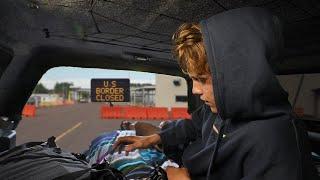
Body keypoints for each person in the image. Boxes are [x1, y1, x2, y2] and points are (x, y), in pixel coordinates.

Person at [113, 7, 318, 180]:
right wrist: (153, 138)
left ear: (239, 76)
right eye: (193, 80)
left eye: (202, 79)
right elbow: (193, 124)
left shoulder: (276, 140)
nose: (195, 90)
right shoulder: (219, 106)